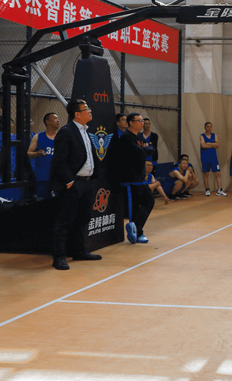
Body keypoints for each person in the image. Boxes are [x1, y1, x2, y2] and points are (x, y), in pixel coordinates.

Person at [49, 99, 102, 270]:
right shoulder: (66, 132)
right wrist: (69, 182)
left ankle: (79, 251)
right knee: (64, 221)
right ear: (77, 114)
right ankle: (59, 257)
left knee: (83, 219)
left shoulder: (86, 131)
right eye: (86, 109)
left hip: (86, 183)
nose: (90, 111)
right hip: (73, 184)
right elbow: (59, 161)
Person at [114, 112, 155, 244]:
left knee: (149, 201)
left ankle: (135, 227)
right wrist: (145, 149)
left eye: (142, 121)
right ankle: (137, 233)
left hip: (140, 178)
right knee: (134, 206)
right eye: (139, 121)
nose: (142, 123)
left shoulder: (138, 137)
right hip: (130, 179)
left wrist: (145, 149)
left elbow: (151, 149)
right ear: (131, 123)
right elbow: (140, 153)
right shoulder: (126, 137)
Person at [27, 112, 60, 199]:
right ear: (47, 121)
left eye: (58, 118)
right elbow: (29, 154)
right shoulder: (38, 137)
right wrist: (37, 153)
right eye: (55, 118)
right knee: (42, 201)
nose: (58, 121)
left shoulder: (61, 137)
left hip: (58, 177)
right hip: (42, 177)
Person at [200, 122, 226, 196]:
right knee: (206, 174)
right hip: (205, 158)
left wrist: (208, 143)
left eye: (210, 126)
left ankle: (220, 190)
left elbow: (217, 145)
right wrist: (213, 145)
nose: (209, 128)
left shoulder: (214, 135)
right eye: (208, 126)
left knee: (218, 173)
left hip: (214, 158)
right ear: (205, 127)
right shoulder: (202, 136)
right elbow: (203, 145)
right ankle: (207, 190)